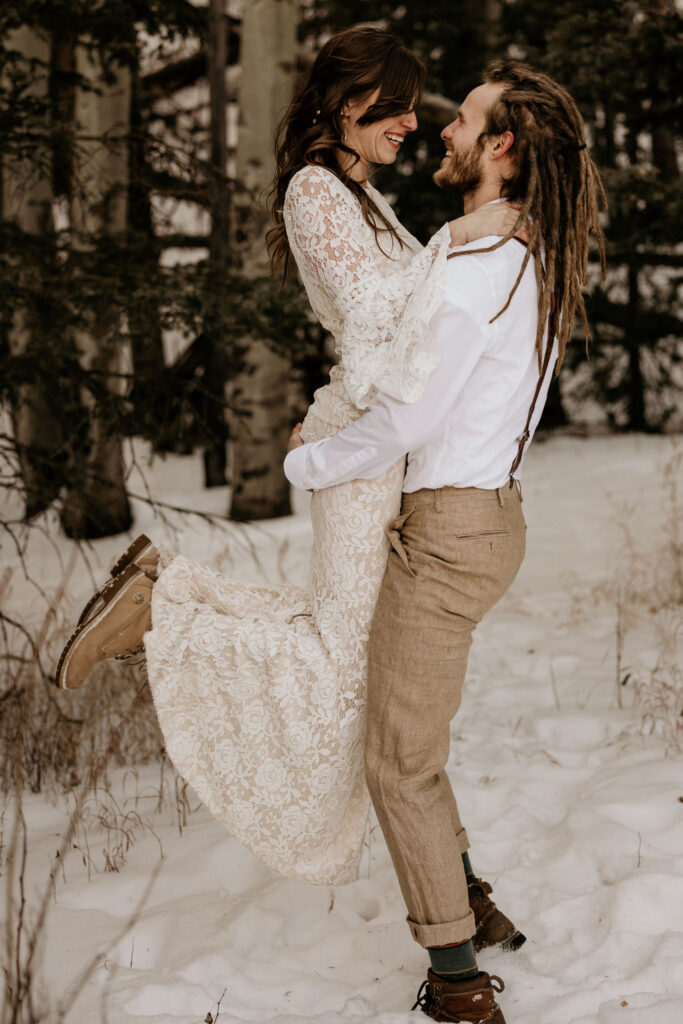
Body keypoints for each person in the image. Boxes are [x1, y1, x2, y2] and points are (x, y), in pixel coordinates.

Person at [54, 25, 519, 912]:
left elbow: (414, 320)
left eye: (420, 107)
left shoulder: (363, 195)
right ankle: (166, 605)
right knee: (339, 667)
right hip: (355, 450)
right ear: (348, 104)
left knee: (346, 649)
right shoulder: (315, 190)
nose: (414, 123)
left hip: (377, 440)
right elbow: (377, 309)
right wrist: (464, 235)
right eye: (399, 106)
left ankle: (463, 888)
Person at [284, 60, 606, 1023]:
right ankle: (472, 902)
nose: (441, 132)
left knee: (396, 761)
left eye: (463, 122)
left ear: (500, 146)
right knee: (411, 738)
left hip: (450, 531)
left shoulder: (476, 268)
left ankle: (457, 980)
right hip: (485, 516)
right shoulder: (527, 246)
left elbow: (405, 421)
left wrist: (308, 460)